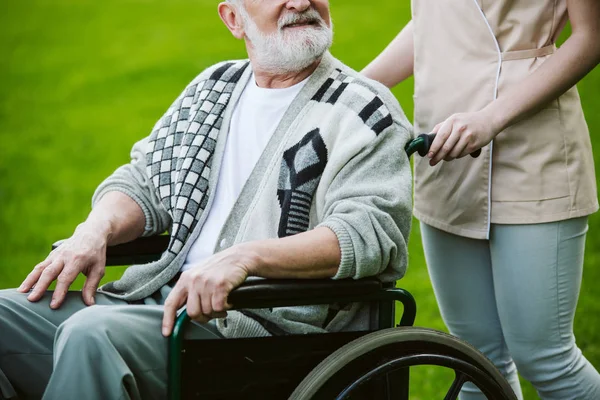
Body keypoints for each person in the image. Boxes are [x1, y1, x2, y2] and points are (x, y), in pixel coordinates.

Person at [0, 1, 413, 399]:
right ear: (234, 19)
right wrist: (95, 229)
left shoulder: (363, 110)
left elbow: (369, 232)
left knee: (92, 334)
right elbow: (145, 180)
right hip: (161, 300)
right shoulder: (214, 87)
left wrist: (245, 258)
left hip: (258, 328)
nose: (300, 2)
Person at [363, 0, 600, 399]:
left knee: (547, 361)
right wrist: (355, 90)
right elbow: (435, 23)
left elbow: (590, 38)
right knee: (473, 362)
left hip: (531, 154)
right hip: (445, 149)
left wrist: (490, 118)